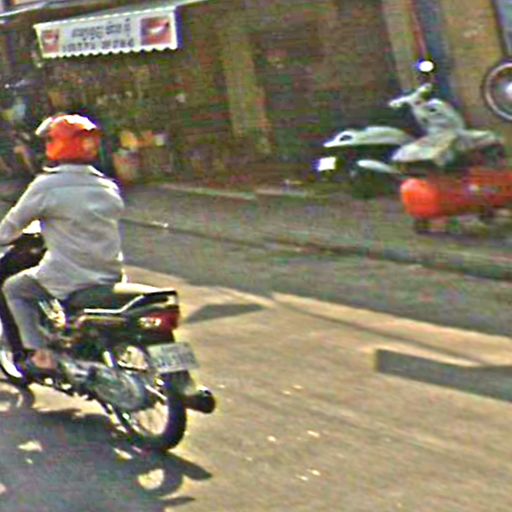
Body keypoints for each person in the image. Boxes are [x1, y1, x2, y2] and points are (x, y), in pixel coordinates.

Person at [0, 114, 125, 372]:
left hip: (69, 276)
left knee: (14, 289)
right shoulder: (106, 186)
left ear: (56, 145)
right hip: (111, 273)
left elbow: (12, 226)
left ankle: (40, 355)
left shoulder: (47, 185)